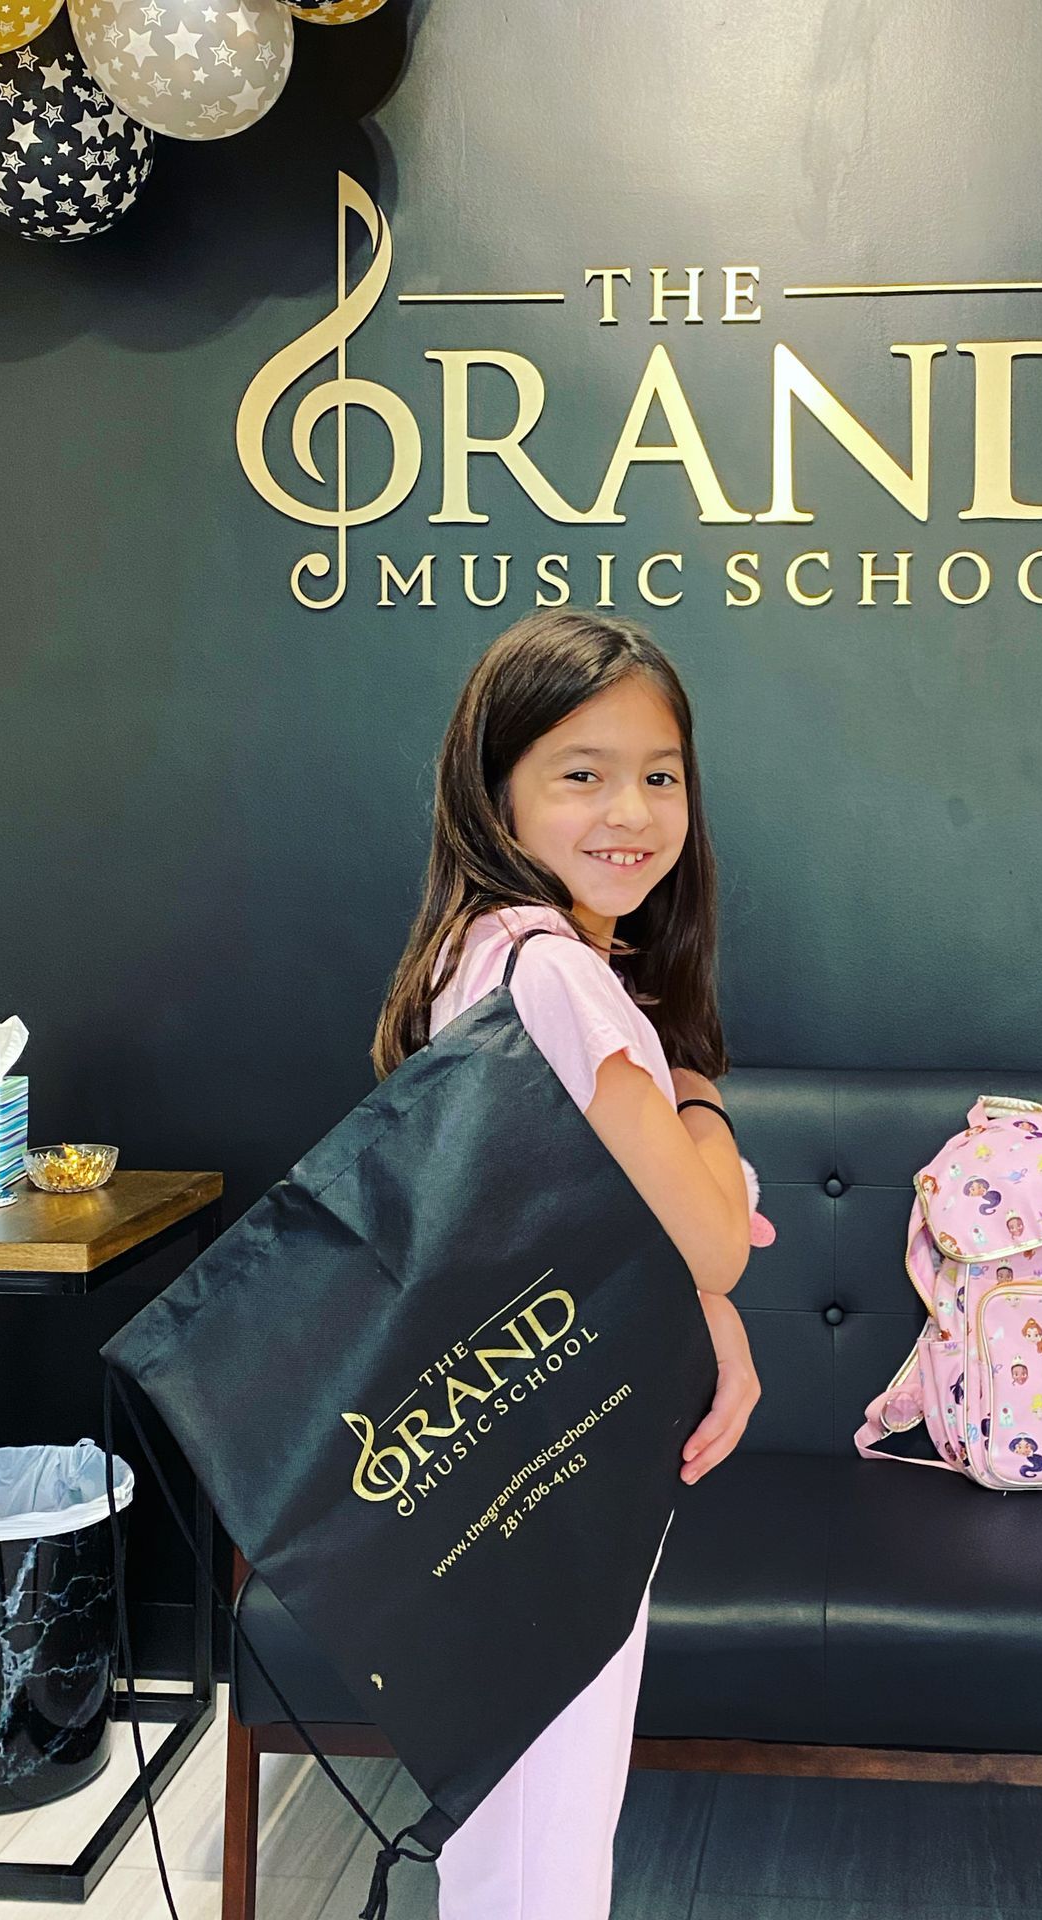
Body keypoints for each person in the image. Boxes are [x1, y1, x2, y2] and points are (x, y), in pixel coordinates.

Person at [368, 607, 766, 1920]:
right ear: (496, 795)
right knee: (544, 1840)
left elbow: (580, 1224)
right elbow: (711, 1239)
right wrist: (699, 1095)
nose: (632, 813)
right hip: (558, 1462)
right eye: (581, 774)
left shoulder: (480, 953)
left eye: (660, 774)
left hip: (513, 1449)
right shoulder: (559, 979)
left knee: (522, 1829)